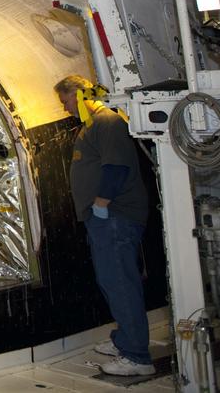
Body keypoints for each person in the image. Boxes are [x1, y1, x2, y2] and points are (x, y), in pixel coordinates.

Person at [56, 75, 154, 377]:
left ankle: (137, 357)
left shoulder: (107, 122)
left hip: (115, 216)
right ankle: (124, 339)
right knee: (111, 281)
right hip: (105, 220)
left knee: (121, 284)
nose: (64, 107)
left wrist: (101, 203)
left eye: (65, 101)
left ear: (80, 95)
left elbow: (116, 167)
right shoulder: (92, 125)